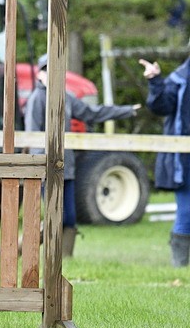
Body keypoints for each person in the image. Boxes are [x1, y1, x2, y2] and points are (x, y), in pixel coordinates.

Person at [23, 53, 139, 257]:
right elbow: (33, 137)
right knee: (54, 215)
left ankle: (66, 258)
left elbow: (93, 113)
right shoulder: (37, 99)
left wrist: (126, 111)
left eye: (55, 69)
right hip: (46, 168)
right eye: (46, 69)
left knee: (69, 217)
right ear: (40, 75)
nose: (51, 73)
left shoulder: (67, 98)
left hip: (67, 167)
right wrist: (41, 166)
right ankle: (23, 250)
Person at [141, 52, 190, 267]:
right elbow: (160, 106)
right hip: (184, 159)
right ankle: (179, 267)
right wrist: (155, 81)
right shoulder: (180, 78)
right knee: (187, 212)